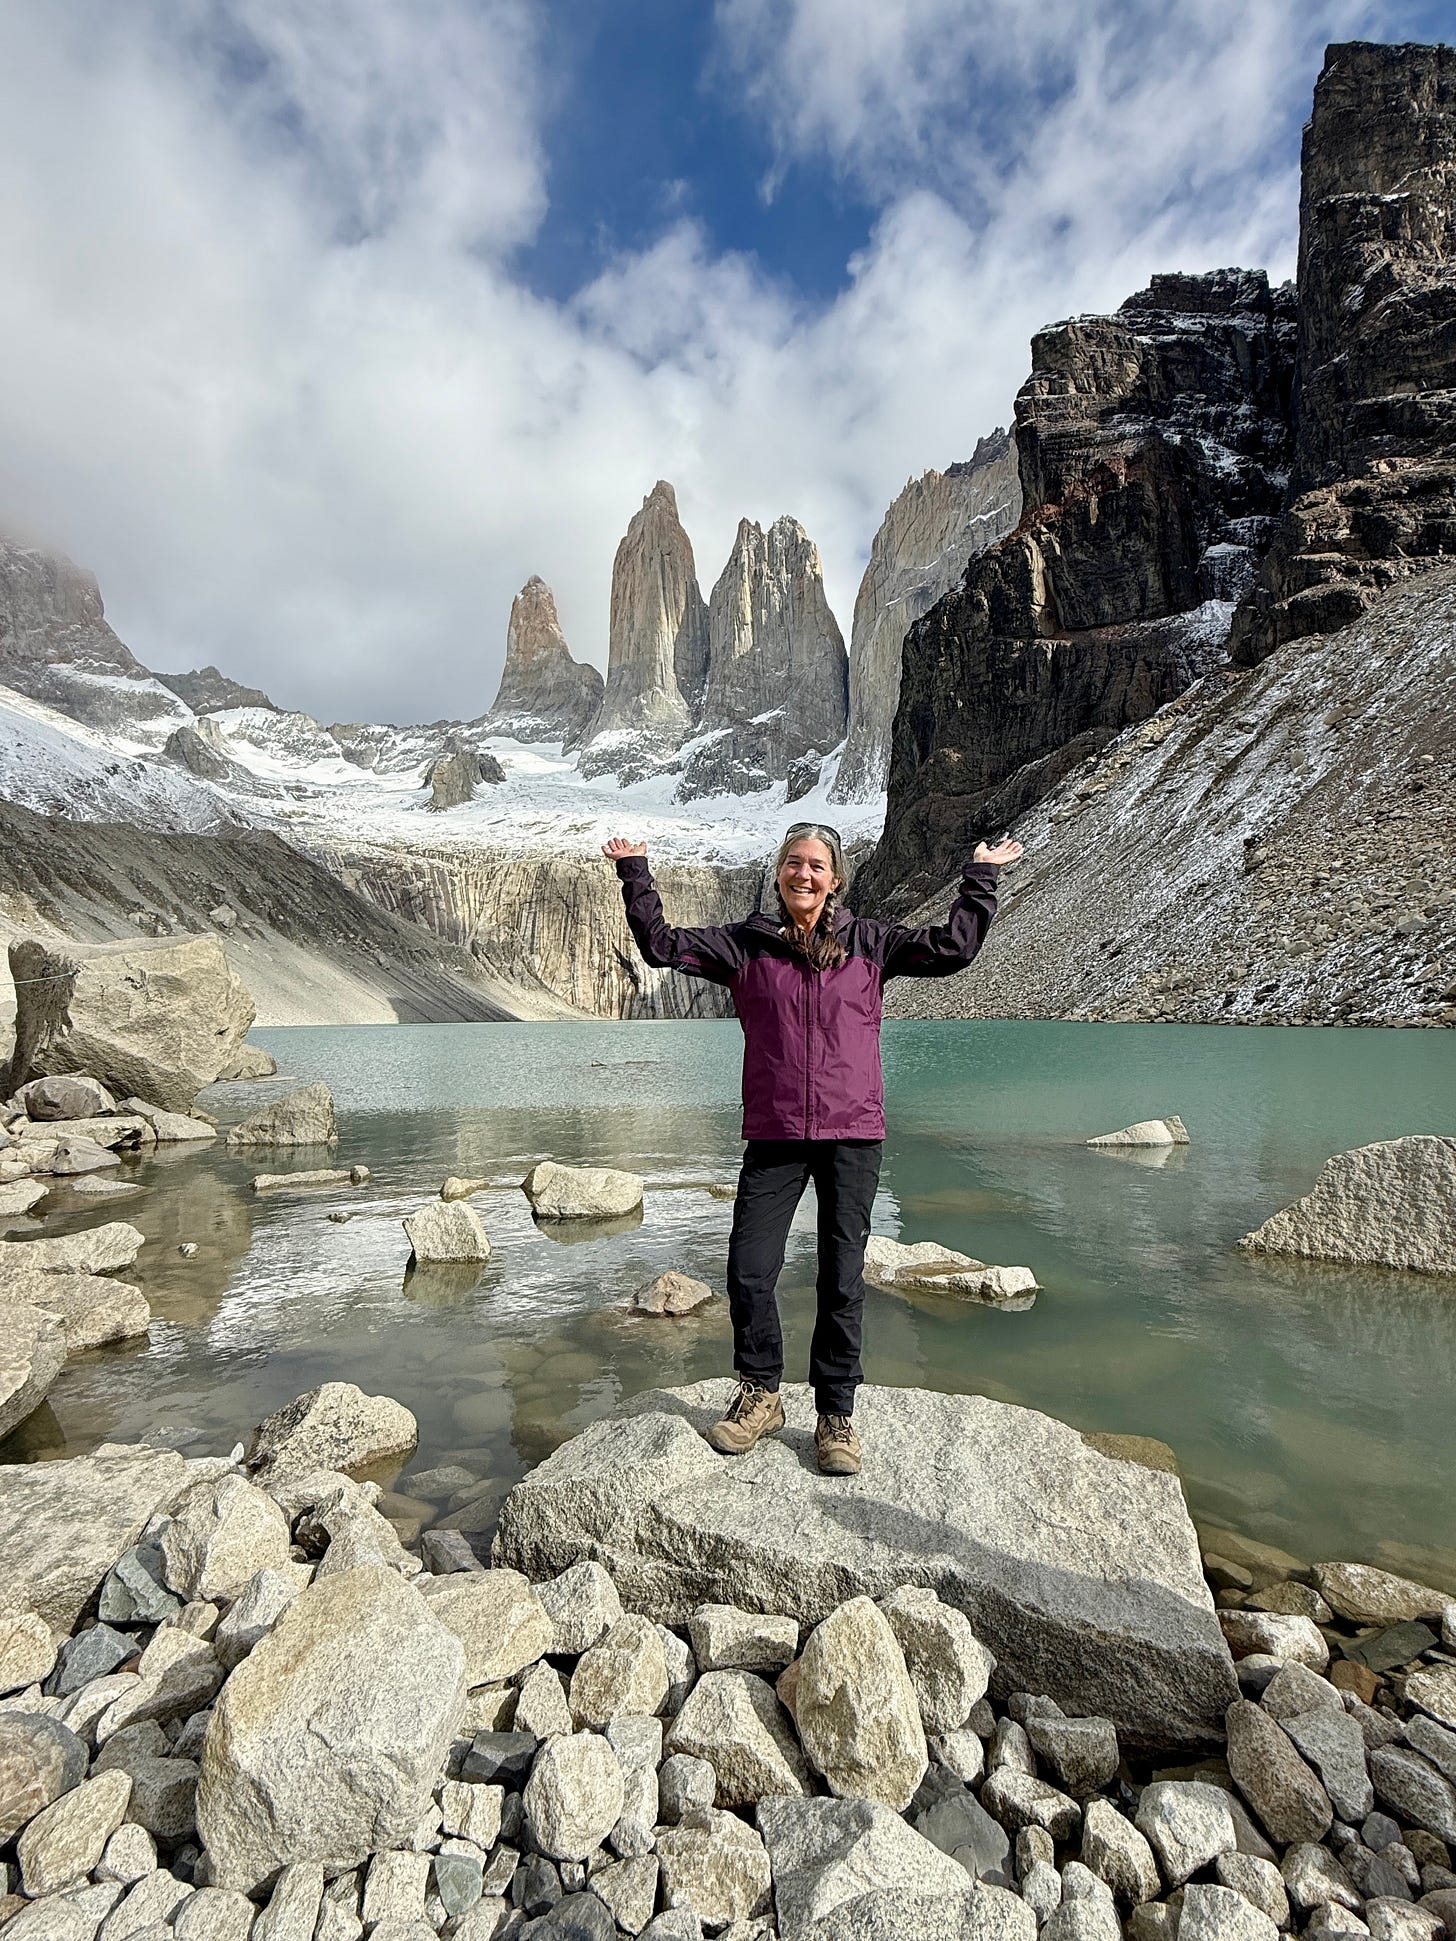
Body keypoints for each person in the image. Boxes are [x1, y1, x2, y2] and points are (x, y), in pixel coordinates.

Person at [602, 820, 1022, 1475]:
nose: (804, 873)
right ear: (778, 874)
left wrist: (981, 877)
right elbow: (660, 947)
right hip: (775, 1136)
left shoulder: (871, 942)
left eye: (817, 865)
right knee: (748, 1269)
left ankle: (835, 1415)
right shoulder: (746, 945)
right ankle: (762, 1393)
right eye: (794, 862)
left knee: (841, 1279)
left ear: (836, 880)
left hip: (852, 1132)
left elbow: (953, 948)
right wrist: (636, 871)